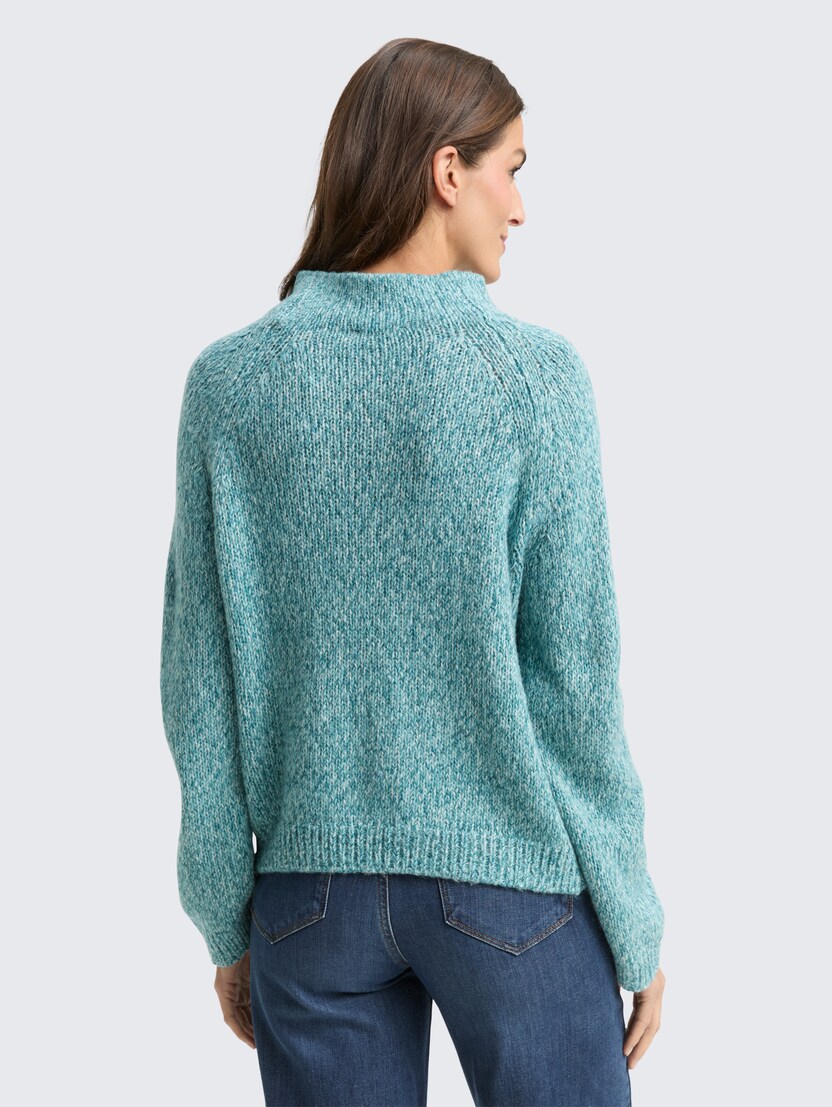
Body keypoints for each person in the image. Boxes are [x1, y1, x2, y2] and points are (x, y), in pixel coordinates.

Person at [160, 36, 666, 1107]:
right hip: (509, 887)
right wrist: (632, 917)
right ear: (448, 171)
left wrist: (227, 920)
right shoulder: (534, 380)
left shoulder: (231, 384)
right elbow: (574, 684)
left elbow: (200, 686)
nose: (519, 207)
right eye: (510, 169)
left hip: (307, 900)